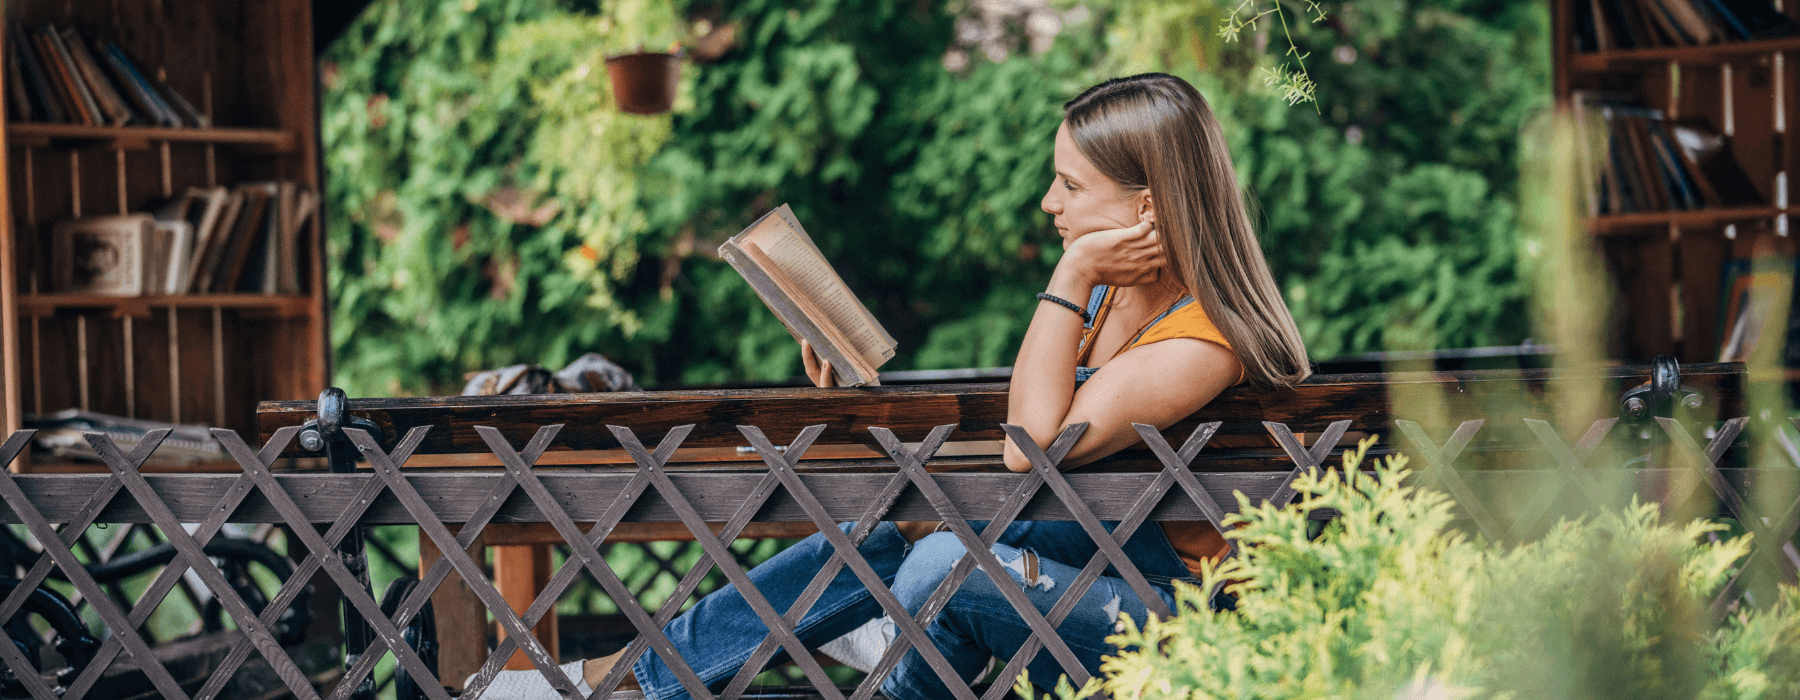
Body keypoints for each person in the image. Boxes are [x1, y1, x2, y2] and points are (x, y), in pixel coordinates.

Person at [479, 72, 1310, 700]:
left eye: (1072, 186)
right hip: (1099, 555)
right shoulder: (1112, 301)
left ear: (1149, 207)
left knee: (937, 565)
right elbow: (1036, 444)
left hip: (1178, 628)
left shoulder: (1205, 340)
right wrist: (857, 398)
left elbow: (1030, 451)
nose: (1048, 202)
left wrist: (1076, 266)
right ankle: (613, 680)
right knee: (885, 529)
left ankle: (876, 625)